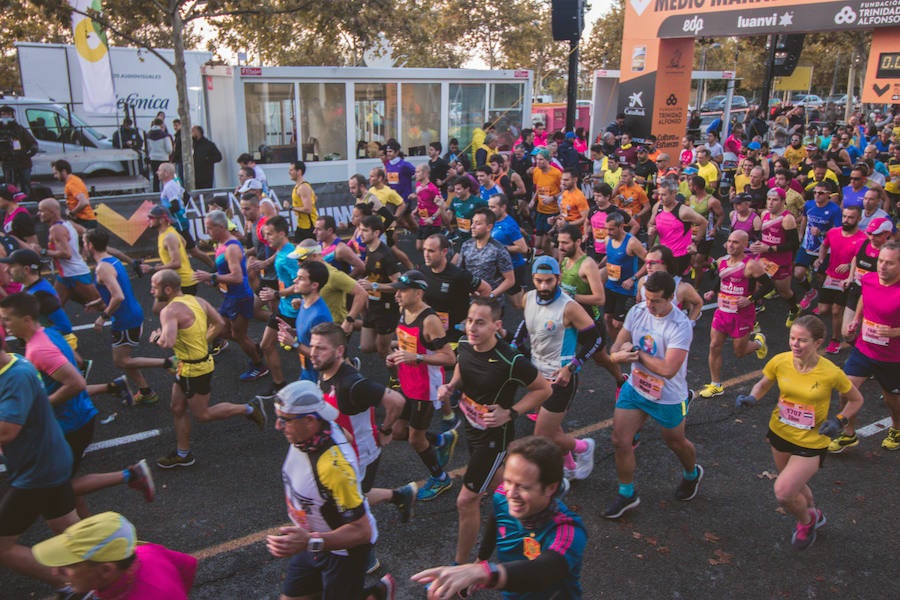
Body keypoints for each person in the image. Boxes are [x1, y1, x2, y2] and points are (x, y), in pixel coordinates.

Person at [0, 293, 155, 517]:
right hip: (76, 416)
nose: (4, 326)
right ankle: (85, 527)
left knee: (58, 489)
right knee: (63, 486)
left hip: (71, 423)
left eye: (7, 319)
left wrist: (41, 406)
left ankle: (132, 475)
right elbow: (79, 362)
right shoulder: (49, 334)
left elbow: (76, 382)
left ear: (25, 320)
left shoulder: (38, 350)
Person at [439, 297, 551, 566]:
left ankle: (462, 567)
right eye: (469, 320)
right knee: (498, 484)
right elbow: (461, 365)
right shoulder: (465, 344)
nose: (471, 328)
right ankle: (536, 507)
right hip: (471, 426)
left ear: (496, 325)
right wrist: (452, 385)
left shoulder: (510, 360)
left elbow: (544, 389)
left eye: (480, 322)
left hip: (494, 437)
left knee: (466, 500)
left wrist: (509, 413)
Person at [736, 315, 863, 550]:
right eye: (792, 338)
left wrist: (839, 421)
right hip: (780, 434)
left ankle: (807, 520)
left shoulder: (830, 372)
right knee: (796, 487)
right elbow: (764, 383)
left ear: (818, 342)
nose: (795, 344)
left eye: (802, 340)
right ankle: (813, 510)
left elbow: (856, 400)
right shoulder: (780, 361)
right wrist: (752, 397)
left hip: (811, 442)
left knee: (783, 492)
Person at [412, 436, 585, 600]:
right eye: (508, 481)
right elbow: (497, 519)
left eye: (523, 486)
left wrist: (484, 573)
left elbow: (542, 571)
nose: (511, 493)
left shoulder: (568, 531)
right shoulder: (502, 496)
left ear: (550, 488)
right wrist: (482, 559)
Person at [267, 380, 379, 599]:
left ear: (310, 420)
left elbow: (362, 531)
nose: (277, 426)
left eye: (284, 420)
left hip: (342, 553)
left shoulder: (334, 468)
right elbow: (345, 434)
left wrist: (310, 541)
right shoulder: (308, 434)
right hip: (312, 542)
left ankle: (377, 593)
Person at [605, 272, 702, 519]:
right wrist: (616, 355)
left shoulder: (680, 325)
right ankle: (626, 493)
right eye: (647, 298)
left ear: (671, 298)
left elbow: (669, 370)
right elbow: (617, 345)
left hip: (668, 396)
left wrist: (636, 354)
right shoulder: (637, 311)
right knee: (620, 439)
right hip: (636, 388)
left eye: (656, 301)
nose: (649, 305)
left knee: (675, 442)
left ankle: (692, 473)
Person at [149, 269, 266, 468]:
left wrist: (156, 338)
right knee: (177, 408)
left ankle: (248, 408)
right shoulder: (196, 300)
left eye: (154, 287)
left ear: (167, 289)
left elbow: (167, 342)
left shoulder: (168, 311)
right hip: (187, 365)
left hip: (195, 370)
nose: (151, 291)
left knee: (203, 415)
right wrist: (202, 342)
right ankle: (183, 454)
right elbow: (219, 323)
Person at [0, 327, 79, 587]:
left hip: (37, 470)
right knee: (72, 535)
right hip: (47, 461)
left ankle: (71, 585)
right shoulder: (14, 363)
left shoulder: (16, 376)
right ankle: (109, 576)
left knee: (2, 546)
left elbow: (7, 431)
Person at [516, 256, 604, 481]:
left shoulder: (569, 307)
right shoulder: (528, 298)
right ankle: (571, 466)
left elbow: (595, 340)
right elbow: (526, 325)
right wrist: (513, 345)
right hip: (537, 378)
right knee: (553, 430)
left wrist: (571, 367)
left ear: (558, 278)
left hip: (560, 380)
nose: (544, 287)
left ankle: (581, 449)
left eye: (549, 281)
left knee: (541, 437)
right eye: (539, 281)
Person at [385, 270, 458, 501]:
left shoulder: (430, 320)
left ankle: (441, 479)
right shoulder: (403, 310)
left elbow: (449, 358)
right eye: (396, 289)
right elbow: (409, 343)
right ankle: (441, 439)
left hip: (425, 388)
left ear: (418, 293)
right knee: (398, 431)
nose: (397, 294)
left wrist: (416, 358)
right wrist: (397, 353)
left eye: (402, 290)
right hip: (407, 380)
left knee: (415, 439)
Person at [31, 511, 197, 599]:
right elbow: (188, 564)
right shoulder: (146, 550)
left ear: (106, 570)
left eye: (69, 565)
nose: (55, 571)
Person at [84, 228, 162, 405]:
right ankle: (146, 392)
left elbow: (118, 296)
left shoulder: (103, 268)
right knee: (125, 360)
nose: (83, 247)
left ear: (90, 245)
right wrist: (98, 302)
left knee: (121, 361)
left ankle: (167, 363)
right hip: (131, 314)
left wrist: (102, 316)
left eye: (83, 243)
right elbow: (116, 291)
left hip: (125, 319)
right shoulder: (113, 260)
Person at [838, 241, 900, 452]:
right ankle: (848, 434)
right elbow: (865, 298)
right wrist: (856, 319)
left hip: (892, 358)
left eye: (889, 263)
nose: (882, 266)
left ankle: (897, 429)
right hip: (864, 349)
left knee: (893, 400)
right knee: (845, 389)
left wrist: (895, 332)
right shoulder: (869, 279)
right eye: (881, 261)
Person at [194, 210, 269, 382]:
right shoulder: (222, 243)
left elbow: (237, 277)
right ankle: (254, 349)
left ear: (221, 227)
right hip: (231, 297)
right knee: (225, 331)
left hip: (239, 297)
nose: (207, 232)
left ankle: (259, 365)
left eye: (209, 228)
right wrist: (214, 280)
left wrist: (212, 277)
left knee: (238, 336)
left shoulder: (232, 248)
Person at [697, 230, 771, 399]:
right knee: (714, 346)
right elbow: (722, 278)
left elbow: (768, 285)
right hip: (722, 311)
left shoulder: (751, 265)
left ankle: (759, 343)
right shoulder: (723, 262)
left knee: (740, 352)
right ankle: (716, 385)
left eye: (736, 242)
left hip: (742, 314)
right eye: (729, 241)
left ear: (745, 245)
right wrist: (712, 291)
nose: (731, 244)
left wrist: (751, 299)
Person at [557, 224, 627, 390]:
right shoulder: (565, 260)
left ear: (578, 241)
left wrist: (572, 296)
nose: (560, 246)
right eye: (559, 242)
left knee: (601, 359)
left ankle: (621, 381)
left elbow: (600, 298)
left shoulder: (587, 264)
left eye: (565, 243)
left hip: (590, 322)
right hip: (570, 320)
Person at [257, 215, 302, 395]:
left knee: (309, 351)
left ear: (282, 233)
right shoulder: (282, 251)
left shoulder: (290, 256)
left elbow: (299, 284)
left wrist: (276, 293)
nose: (266, 238)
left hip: (294, 311)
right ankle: (279, 384)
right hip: (284, 308)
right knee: (266, 345)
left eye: (270, 234)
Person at [813, 205, 866, 354]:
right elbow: (824, 246)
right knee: (823, 310)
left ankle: (835, 340)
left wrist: (849, 266)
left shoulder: (862, 239)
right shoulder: (833, 232)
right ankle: (845, 325)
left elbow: (860, 259)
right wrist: (820, 259)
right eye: (844, 216)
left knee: (836, 311)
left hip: (847, 281)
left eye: (850, 217)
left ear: (858, 219)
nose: (846, 220)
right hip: (831, 277)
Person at [36, 198, 102, 311]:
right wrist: (83, 253)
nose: (38, 214)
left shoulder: (56, 229)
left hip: (76, 274)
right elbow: (86, 232)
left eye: (42, 211)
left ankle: (126, 320)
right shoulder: (68, 224)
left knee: (100, 305)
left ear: (52, 212)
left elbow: (66, 254)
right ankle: (58, 328)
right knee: (53, 309)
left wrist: (43, 251)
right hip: (65, 276)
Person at [749, 188, 801, 327]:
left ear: (783, 202)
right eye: (769, 199)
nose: (770, 203)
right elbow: (763, 235)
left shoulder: (787, 219)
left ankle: (794, 309)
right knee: (755, 282)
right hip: (764, 258)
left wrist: (770, 248)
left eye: (775, 200)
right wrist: (759, 243)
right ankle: (752, 311)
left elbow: (794, 244)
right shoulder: (765, 214)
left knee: (784, 292)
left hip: (780, 261)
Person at [277, 260, 333, 382]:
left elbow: (322, 355)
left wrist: (294, 343)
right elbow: (310, 335)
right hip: (307, 373)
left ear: (314, 285)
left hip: (320, 379)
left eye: (301, 278)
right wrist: (293, 332)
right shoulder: (304, 303)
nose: (294, 281)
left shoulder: (319, 316)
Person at [357, 215, 403, 360]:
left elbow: (399, 284)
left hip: (387, 308)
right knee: (366, 347)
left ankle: (395, 379)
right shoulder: (368, 249)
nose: (360, 234)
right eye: (360, 230)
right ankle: (400, 343)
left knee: (383, 350)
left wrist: (374, 285)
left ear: (376, 233)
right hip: (373, 304)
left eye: (365, 230)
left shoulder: (386, 255)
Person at [155, 162, 214, 269]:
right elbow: (185, 196)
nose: (157, 172)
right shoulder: (172, 184)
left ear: (166, 173)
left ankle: (214, 267)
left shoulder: (170, 186)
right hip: (178, 221)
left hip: (178, 223)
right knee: (186, 249)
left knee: (193, 250)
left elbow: (175, 206)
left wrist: (162, 213)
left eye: (159, 170)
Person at [603, 212, 648, 345]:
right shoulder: (608, 240)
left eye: (611, 229)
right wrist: (598, 265)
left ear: (621, 226)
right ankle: (618, 345)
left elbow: (648, 261)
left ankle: (627, 345)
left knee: (618, 323)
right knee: (607, 318)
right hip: (610, 285)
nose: (608, 232)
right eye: (607, 228)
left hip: (625, 290)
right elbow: (609, 256)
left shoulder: (632, 242)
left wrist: (633, 279)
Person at [647, 179, 707, 275]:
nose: (660, 198)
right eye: (659, 194)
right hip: (663, 253)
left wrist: (695, 243)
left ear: (674, 193)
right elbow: (651, 223)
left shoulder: (683, 211)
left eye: (664, 195)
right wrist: (651, 229)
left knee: (672, 284)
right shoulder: (658, 207)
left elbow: (704, 222)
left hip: (679, 256)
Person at [455, 207, 514, 301]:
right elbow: (460, 271)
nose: (472, 226)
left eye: (477, 223)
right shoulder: (466, 245)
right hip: (469, 300)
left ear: (489, 227)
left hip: (491, 304)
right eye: (473, 222)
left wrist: (491, 295)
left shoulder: (498, 250)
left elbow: (510, 280)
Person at [141, 205, 198, 297]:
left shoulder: (169, 237)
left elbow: (176, 263)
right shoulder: (167, 232)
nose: (148, 220)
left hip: (183, 283)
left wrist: (153, 269)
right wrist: (164, 264)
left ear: (162, 220)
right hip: (178, 281)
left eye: (151, 217)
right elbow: (183, 242)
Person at [0, 104, 38, 195]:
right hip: (8, 163)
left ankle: (27, 202)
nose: (6, 116)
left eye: (8, 114)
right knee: (10, 187)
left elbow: (33, 144)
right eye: (3, 114)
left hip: (23, 162)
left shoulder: (20, 129)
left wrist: (27, 154)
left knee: (25, 185)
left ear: (12, 115)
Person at [531, 150, 562, 255]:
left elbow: (564, 190)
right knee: (537, 244)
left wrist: (553, 198)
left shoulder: (556, 173)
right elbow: (538, 188)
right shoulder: (536, 171)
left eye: (541, 159)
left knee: (546, 243)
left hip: (552, 212)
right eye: (536, 159)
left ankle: (553, 261)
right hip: (540, 210)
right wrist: (532, 200)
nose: (538, 162)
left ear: (548, 160)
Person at [51, 160, 96, 230]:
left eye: (56, 173)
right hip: (83, 220)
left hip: (85, 221)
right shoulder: (73, 180)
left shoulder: (72, 183)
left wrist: (72, 213)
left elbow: (84, 202)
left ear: (63, 171)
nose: (55, 176)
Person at [285, 160, 318, 242]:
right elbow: (315, 198)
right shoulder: (298, 186)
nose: (289, 172)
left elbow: (308, 209)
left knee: (308, 252)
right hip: (302, 225)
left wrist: (290, 207)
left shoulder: (303, 187)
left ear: (299, 171)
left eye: (291, 170)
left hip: (309, 227)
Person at [147, 118, 173, 192]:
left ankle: (156, 193)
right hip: (163, 159)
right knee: (165, 177)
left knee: (156, 178)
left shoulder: (148, 135)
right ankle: (166, 192)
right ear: (162, 124)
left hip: (153, 159)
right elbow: (169, 149)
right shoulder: (165, 135)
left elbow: (147, 149)